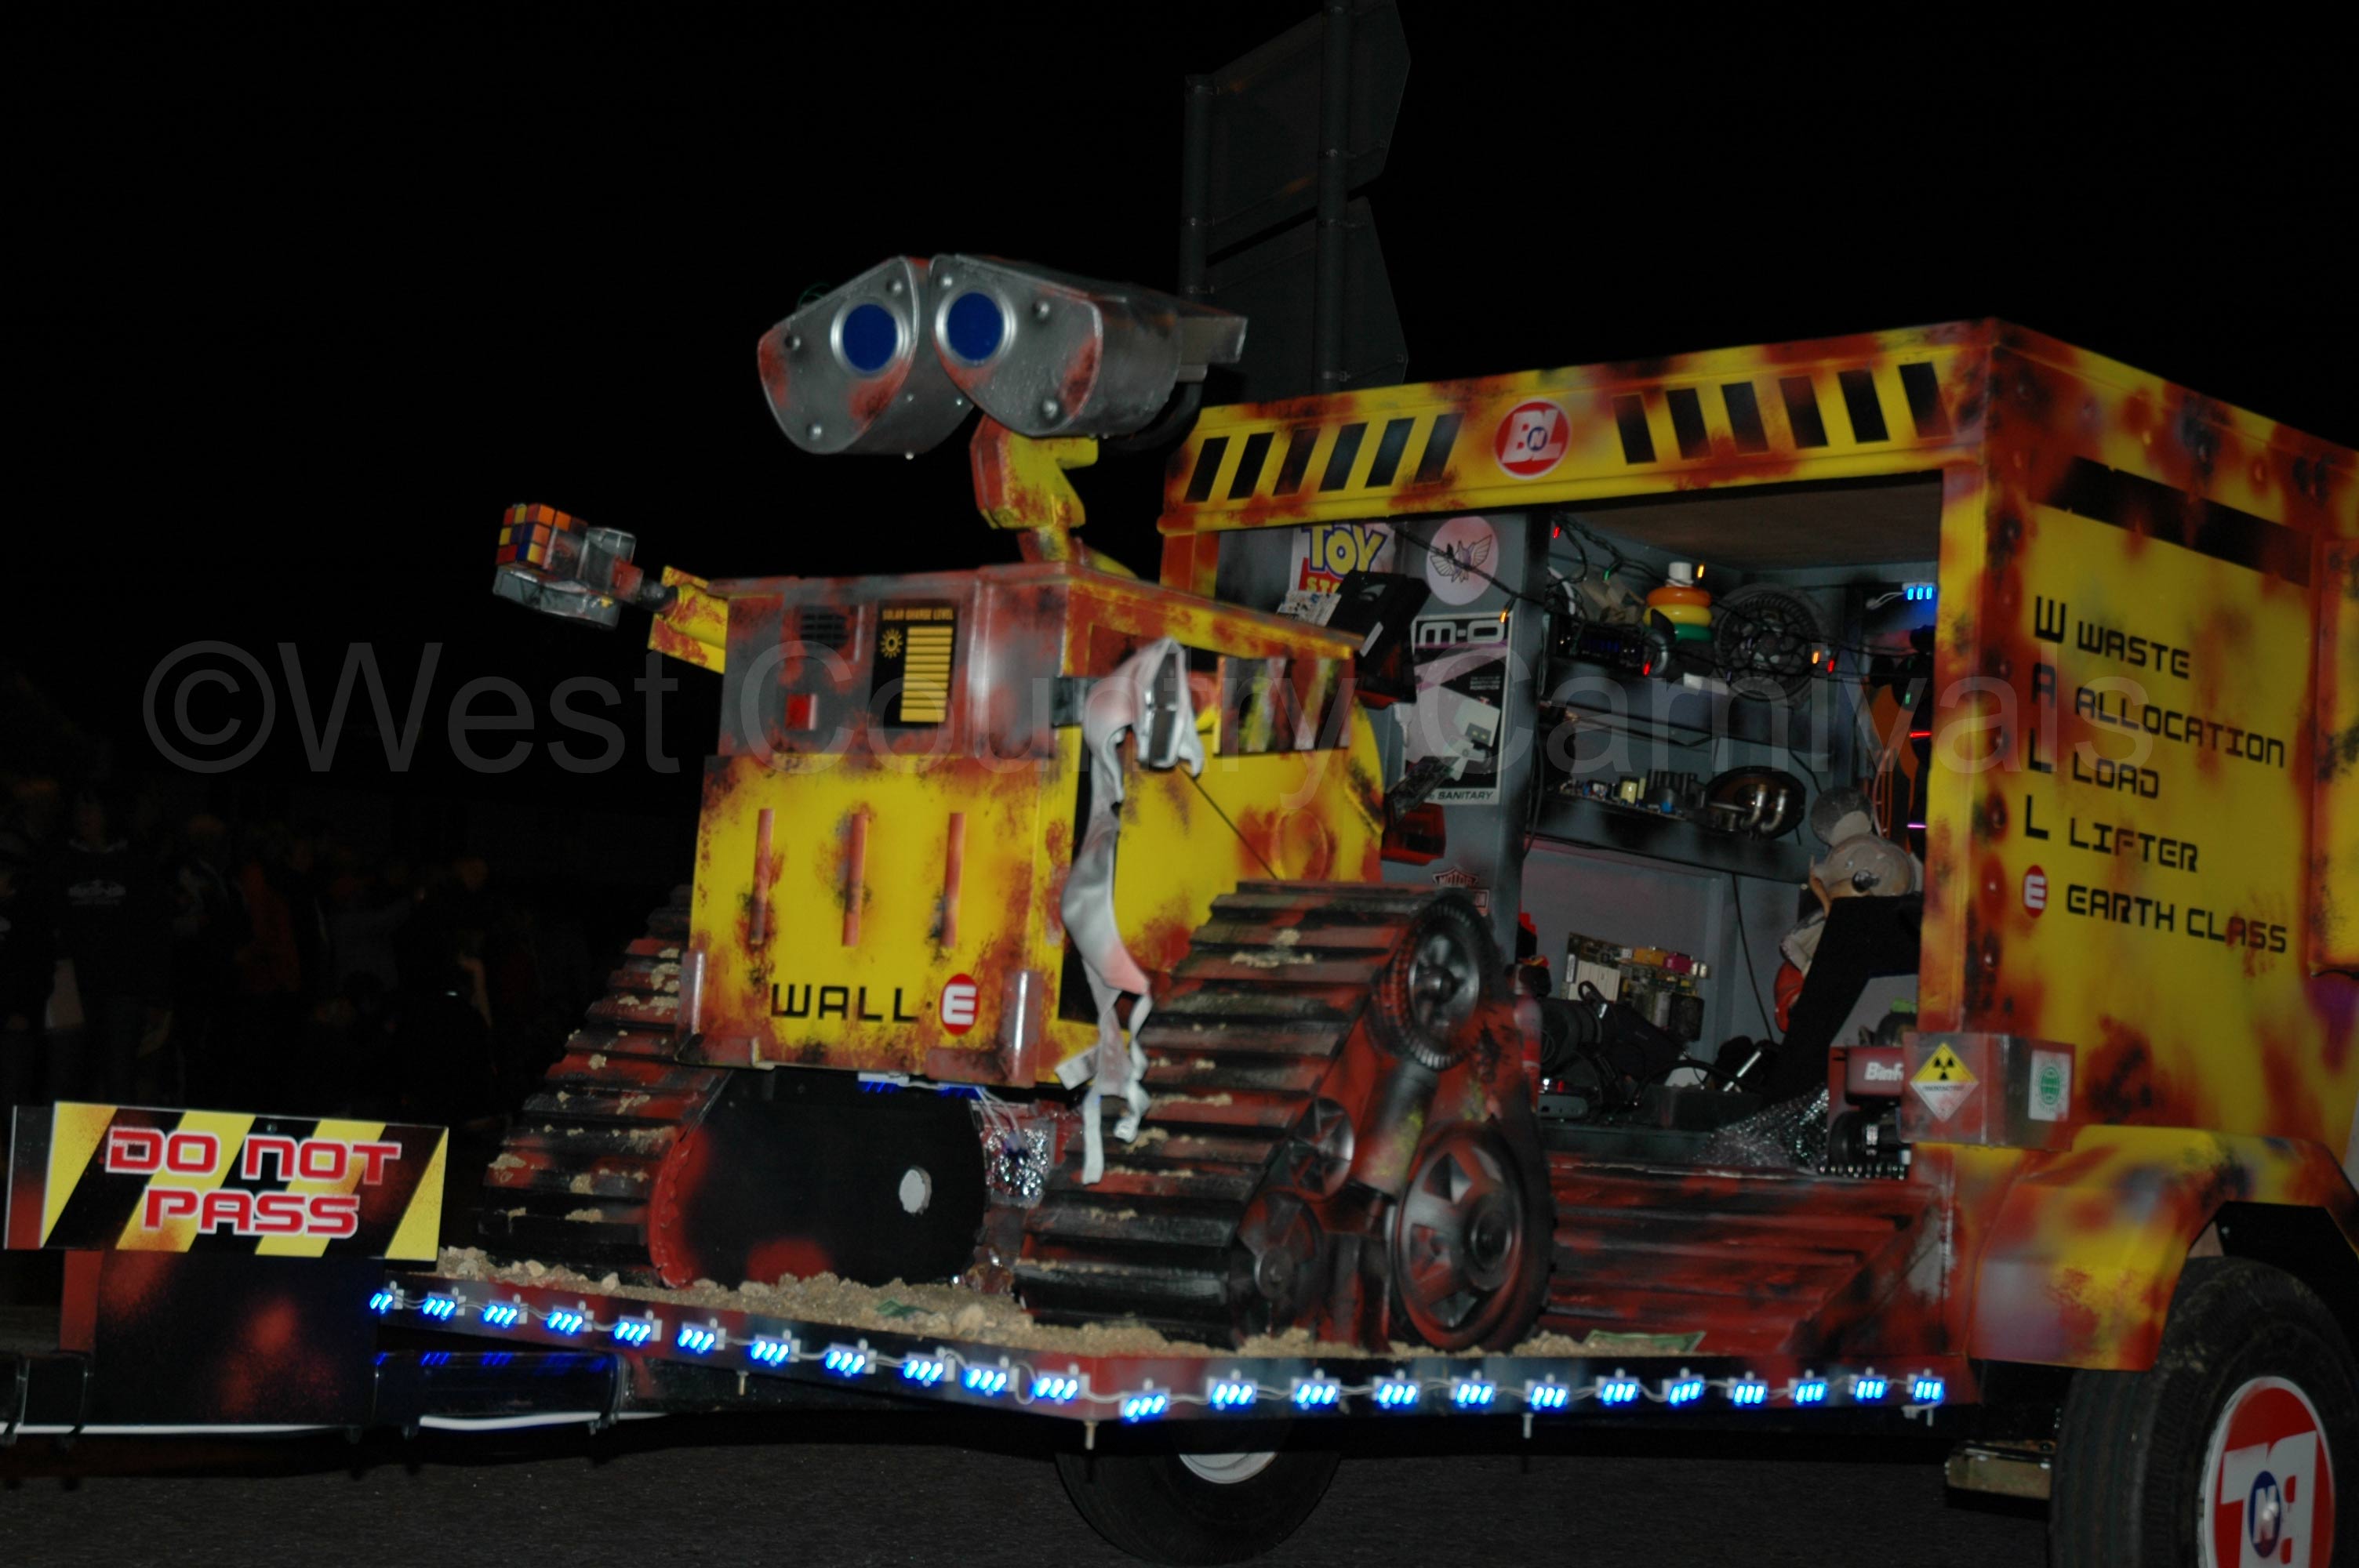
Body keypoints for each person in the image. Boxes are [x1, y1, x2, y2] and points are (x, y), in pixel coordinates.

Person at [51, 788, 169, 1103]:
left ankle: (115, 1134)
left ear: (109, 814)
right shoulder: (61, 863)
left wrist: (156, 994)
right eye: (78, 809)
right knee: (67, 1075)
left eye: (90, 809)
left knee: (118, 1075)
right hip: (71, 990)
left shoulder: (135, 864)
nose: (82, 817)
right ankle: (73, 1136)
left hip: (122, 989)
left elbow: (154, 932)